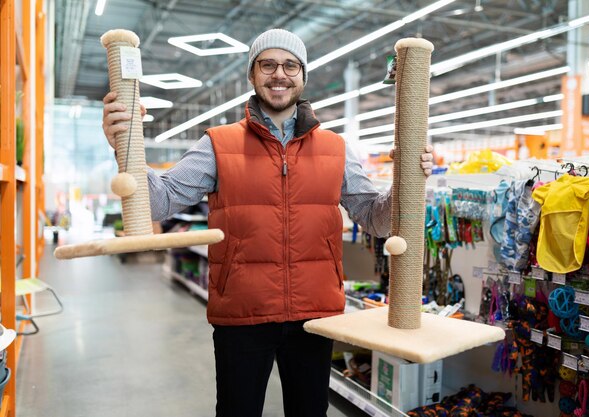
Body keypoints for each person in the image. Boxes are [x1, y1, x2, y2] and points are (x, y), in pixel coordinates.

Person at [103, 28, 434, 417]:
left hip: (316, 314)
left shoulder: (336, 149)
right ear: (252, 74)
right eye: (268, 64)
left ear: (303, 75)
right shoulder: (218, 144)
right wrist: (123, 147)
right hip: (242, 312)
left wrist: (409, 181)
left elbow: (376, 220)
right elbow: (159, 202)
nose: (279, 74)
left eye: (290, 65)